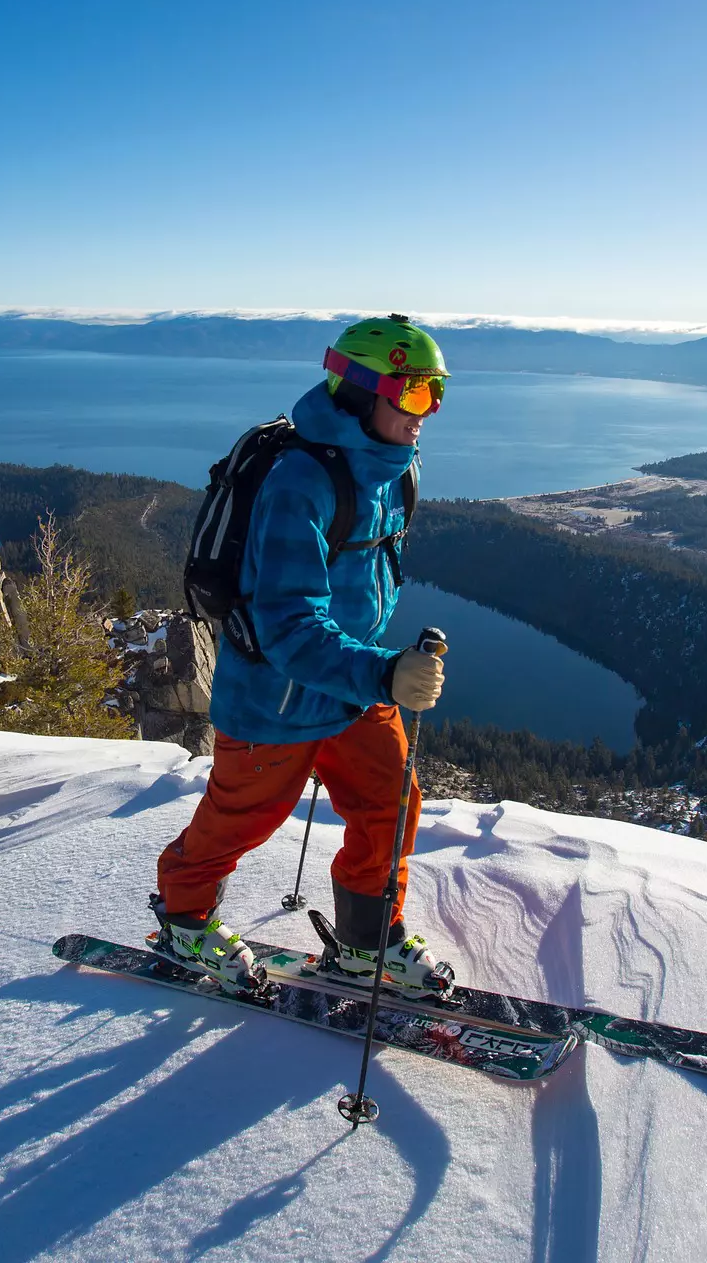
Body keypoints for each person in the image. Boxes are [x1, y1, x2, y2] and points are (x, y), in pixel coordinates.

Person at [154, 316, 452, 995]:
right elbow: (287, 626)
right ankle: (184, 917)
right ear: (360, 392)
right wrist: (383, 671)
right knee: (240, 819)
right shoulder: (299, 483)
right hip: (273, 697)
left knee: (391, 804)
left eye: (436, 393)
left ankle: (365, 944)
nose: (426, 412)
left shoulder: (394, 472)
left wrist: (374, 674)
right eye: (412, 393)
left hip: (348, 688)